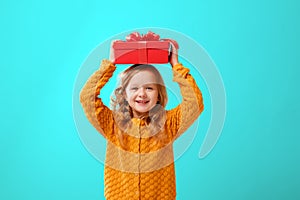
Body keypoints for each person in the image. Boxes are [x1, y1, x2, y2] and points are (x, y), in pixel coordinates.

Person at [80, 43, 204, 200]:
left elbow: (195, 103)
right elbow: (87, 97)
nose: (142, 93)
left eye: (149, 88)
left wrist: (176, 65)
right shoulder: (112, 123)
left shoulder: (168, 123)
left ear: (159, 94)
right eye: (134, 88)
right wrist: (110, 64)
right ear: (124, 93)